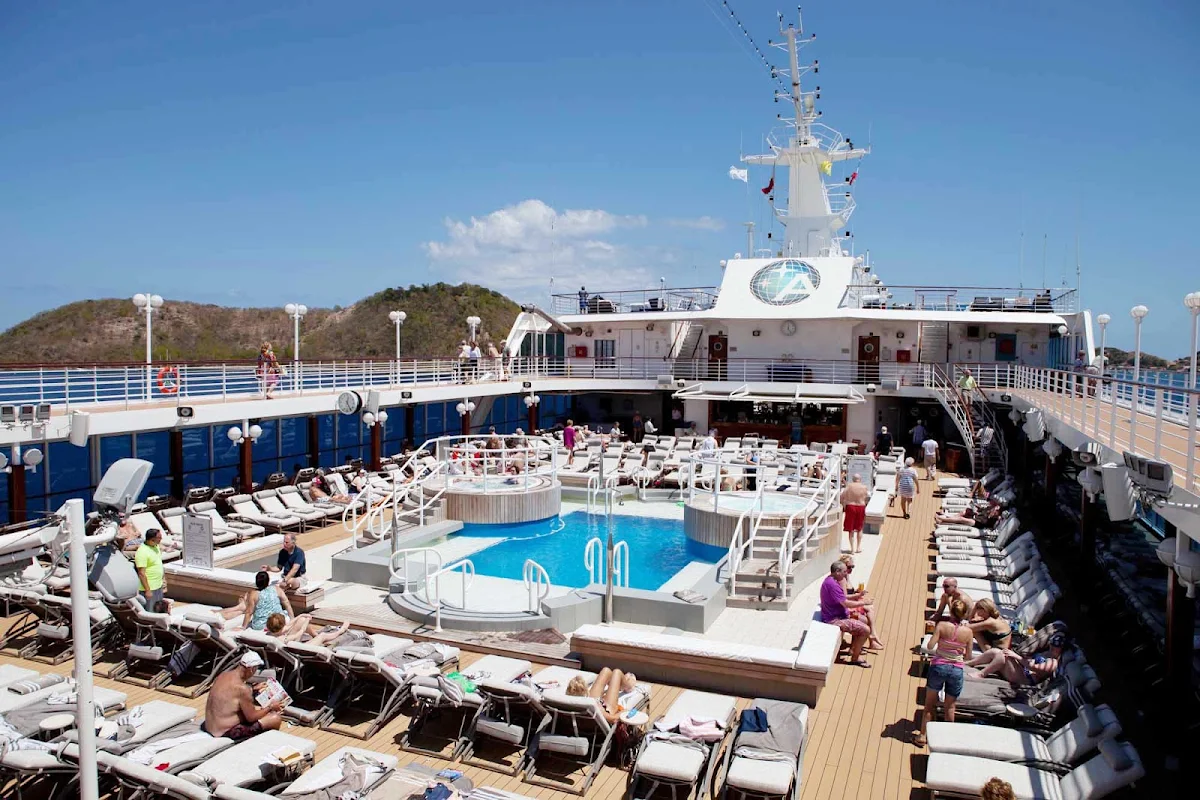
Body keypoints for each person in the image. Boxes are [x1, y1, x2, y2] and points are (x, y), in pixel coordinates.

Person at [914, 597, 973, 748]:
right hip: (956, 669)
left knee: (929, 704)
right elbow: (968, 656)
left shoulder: (942, 626)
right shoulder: (968, 632)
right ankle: (947, 740)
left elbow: (930, 644)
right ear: (965, 614)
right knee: (950, 707)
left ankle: (922, 736)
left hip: (939, 666)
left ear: (951, 612)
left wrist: (940, 640)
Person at [203, 651, 285, 741]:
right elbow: (251, 718)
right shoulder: (242, 689)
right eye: (256, 669)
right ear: (251, 669)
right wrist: (271, 707)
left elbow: (232, 694)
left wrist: (252, 689)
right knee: (275, 718)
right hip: (224, 733)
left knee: (260, 711)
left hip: (211, 727)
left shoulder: (223, 675)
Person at [820, 561, 871, 667]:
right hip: (834, 619)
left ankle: (853, 649)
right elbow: (845, 603)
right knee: (866, 630)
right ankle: (855, 658)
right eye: (844, 571)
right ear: (837, 572)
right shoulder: (832, 585)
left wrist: (857, 595)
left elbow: (843, 598)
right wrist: (863, 602)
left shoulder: (832, 580)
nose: (846, 573)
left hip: (840, 614)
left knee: (865, 620)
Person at [967, 633, 1069, 685]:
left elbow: (1034, 667)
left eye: (1056, 647)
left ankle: (981, 674)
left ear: (1061, 649)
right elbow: (1030, 661)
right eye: (1052, 645)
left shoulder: (1053, 662)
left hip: (1025, 679)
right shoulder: (1047, 653)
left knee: (1004, 656)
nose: (1052, 648)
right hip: (1022, 671)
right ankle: (969, 663)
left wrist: (1016, 656)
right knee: (996, 651)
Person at [838, 554, 884, 650]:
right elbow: (844, 598)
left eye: (852, 567)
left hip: (850, 603)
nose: (851, 569)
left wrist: (857, 593)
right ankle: (871, 637)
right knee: (868, 612)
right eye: (849, 567)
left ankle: (871, 637)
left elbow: (847, 594)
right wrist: (858, 596)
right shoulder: (841, 580)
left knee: (870, 608)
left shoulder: (846, 577)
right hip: (846, 608)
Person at [566, 666, 637, 724]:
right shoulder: (593, 706)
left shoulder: (565, 703)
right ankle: (628, 685)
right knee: (617, 672)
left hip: (592, 704)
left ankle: (615, 684)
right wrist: (624, 712)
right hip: (606, 710)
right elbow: (613, 719)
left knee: (606, 671)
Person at [135, 529, 167, 607]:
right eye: (159, 537)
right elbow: (141, 573)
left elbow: (159, 565)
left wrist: (164, 582)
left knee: (159, 609)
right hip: (150, 588)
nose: (161, 539)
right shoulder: (142, 552)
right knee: (151, 610)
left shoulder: (156, 547)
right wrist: (148, 590)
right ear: (152, 539)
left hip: (158, 586)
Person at [840, 474, 870, 554]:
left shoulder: (849, 487)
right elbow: (866, 497)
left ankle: (852, 549)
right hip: (861, 507)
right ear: (860, 479)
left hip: (850, 507)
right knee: (860, 528)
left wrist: (843, 505)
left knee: (851, 529)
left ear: (853, 479)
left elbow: (842, 497)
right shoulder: (864, 487)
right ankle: (858, 547)